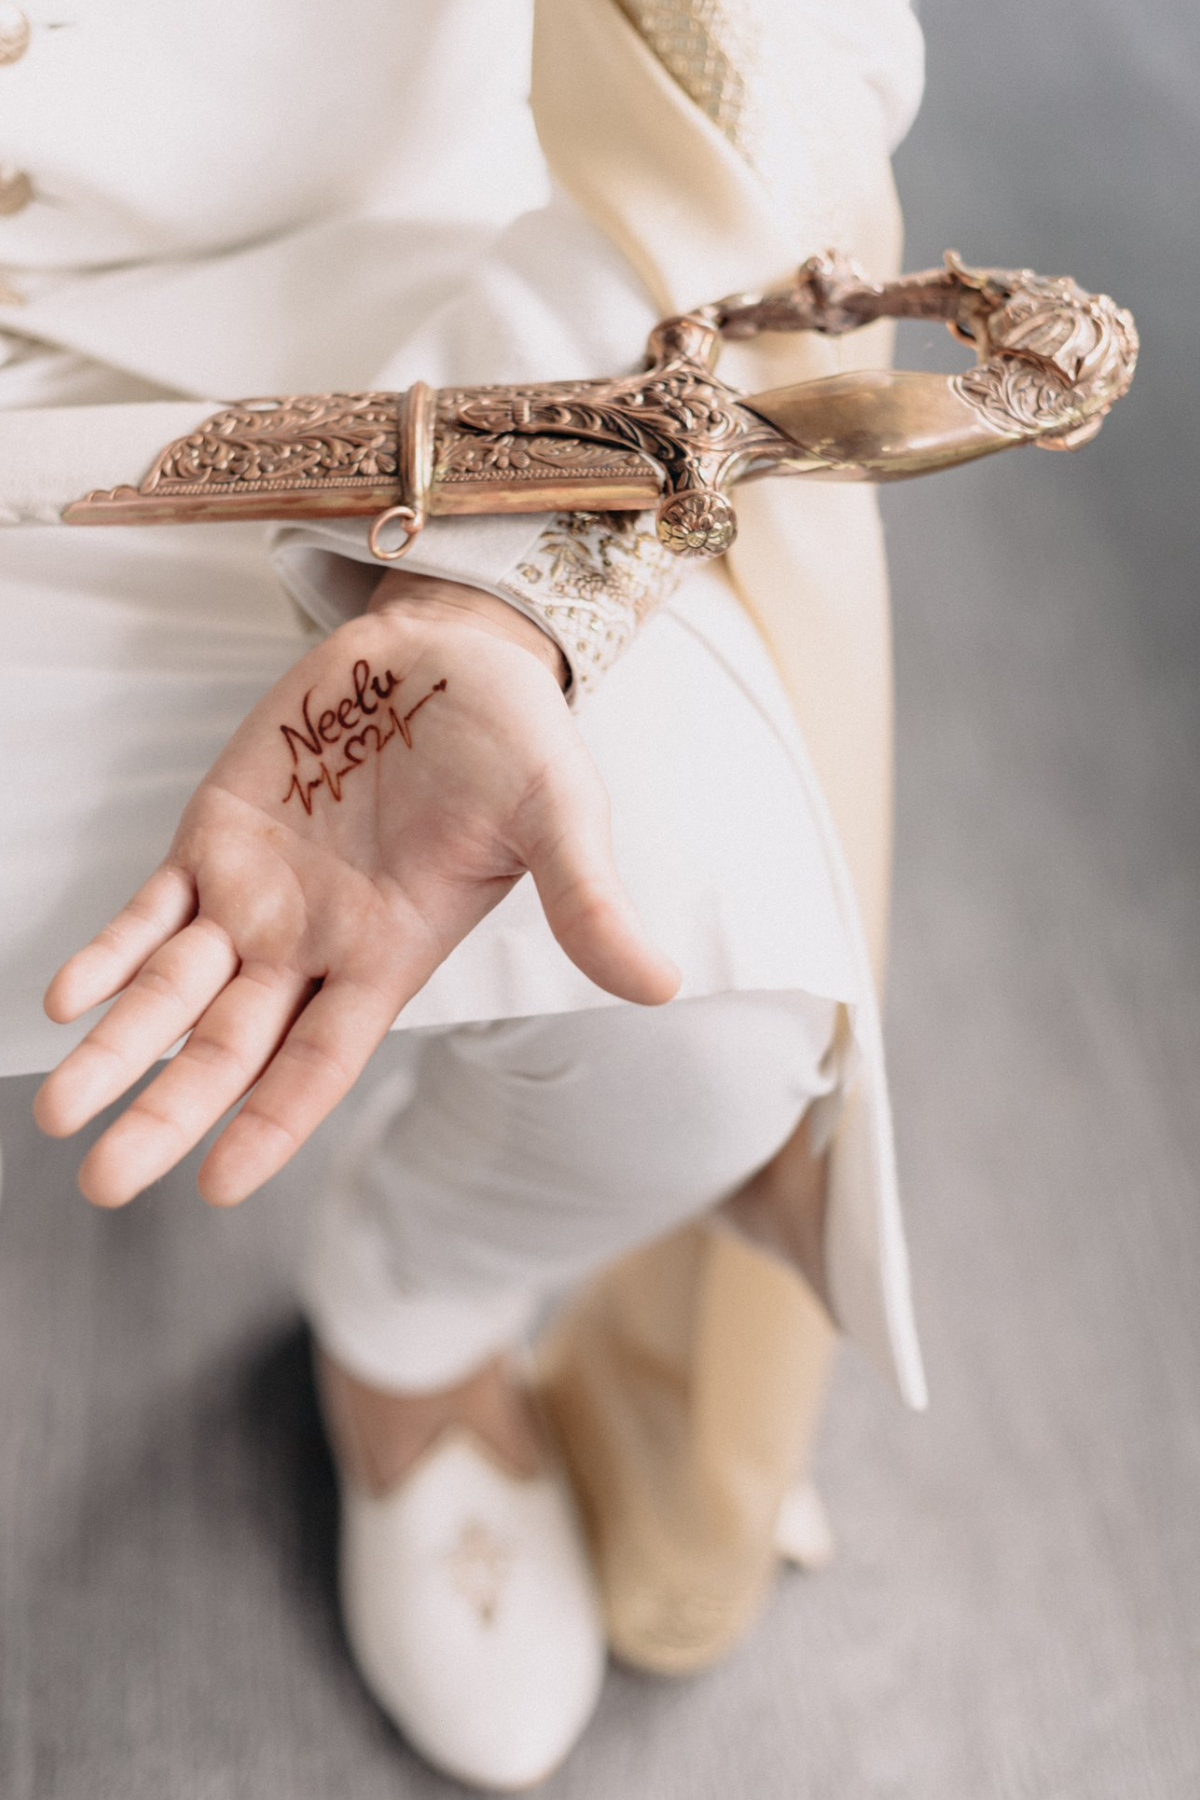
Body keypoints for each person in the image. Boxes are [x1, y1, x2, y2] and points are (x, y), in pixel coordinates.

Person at [0, 0, 927, 1786]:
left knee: (706, 1008)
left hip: (429, 331)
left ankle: (418, 1319)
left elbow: (804, 38)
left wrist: (488, 580)